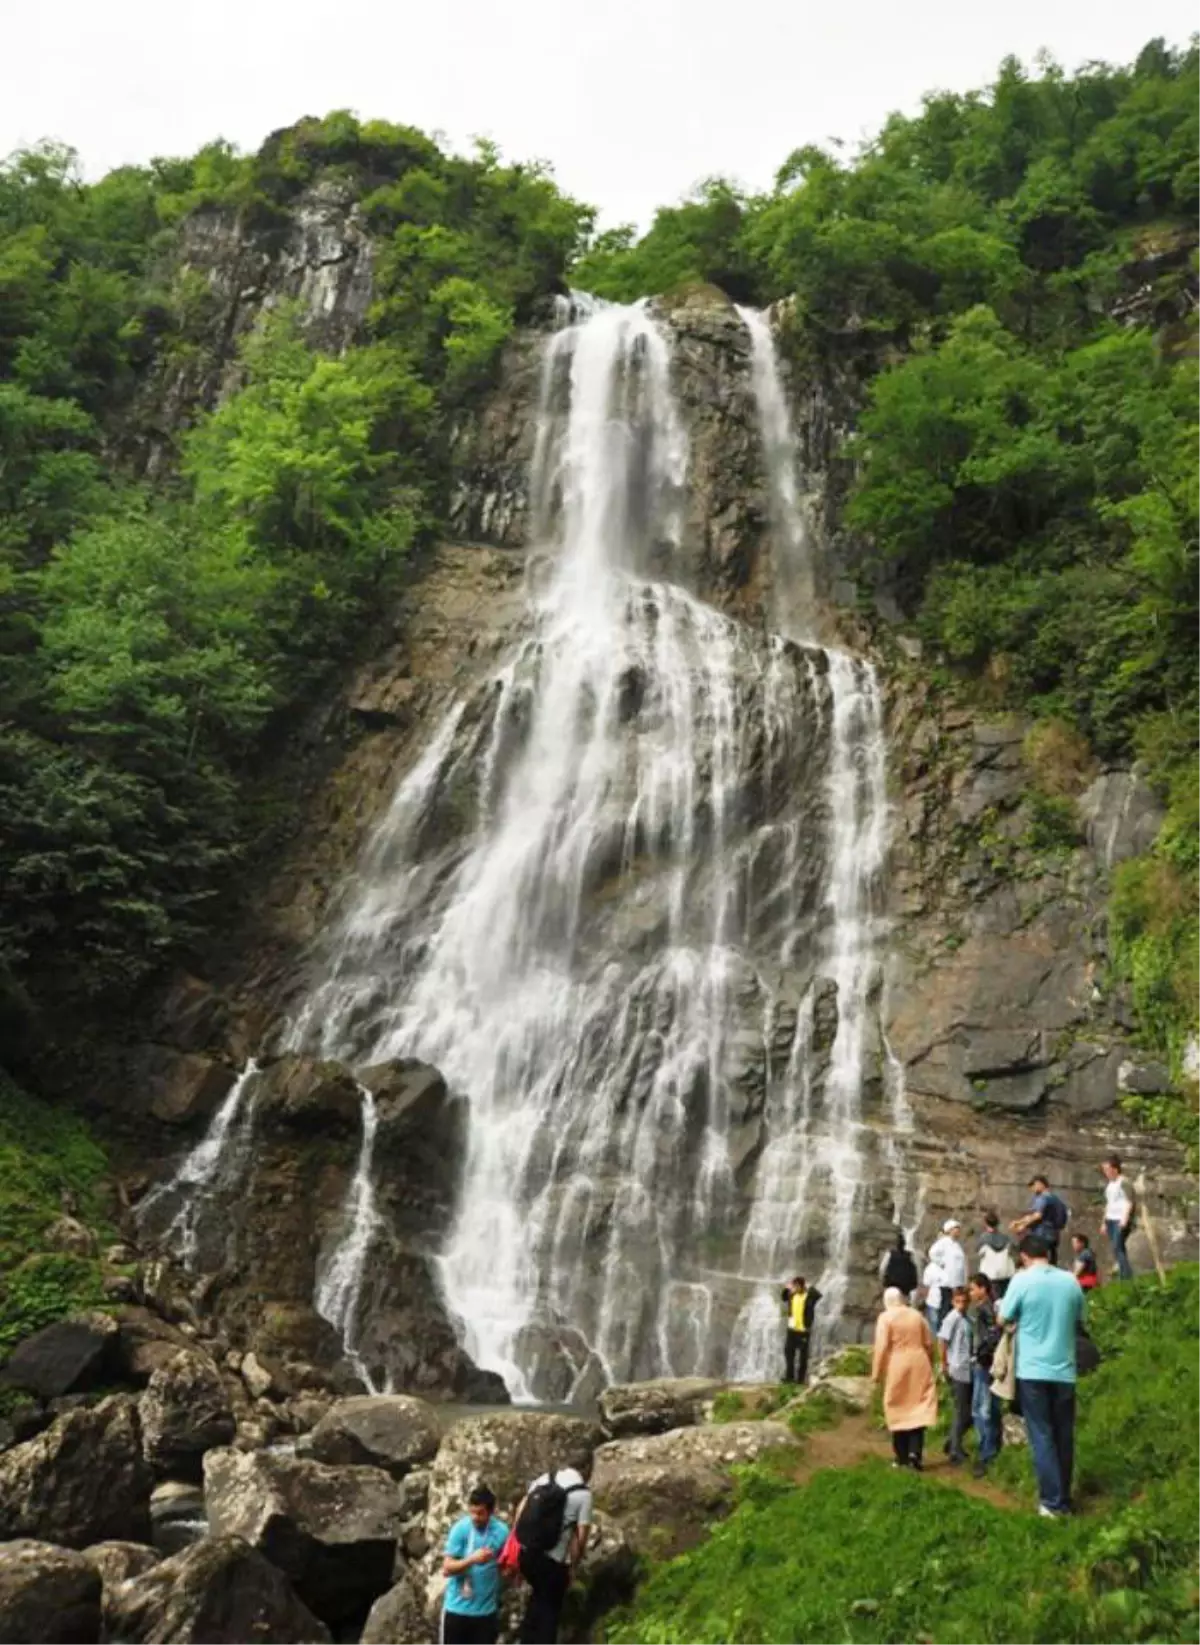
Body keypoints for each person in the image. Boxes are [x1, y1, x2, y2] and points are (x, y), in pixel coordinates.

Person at [998, 1233, 1084, 1518]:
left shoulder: (1021, 1280)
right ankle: (1065, 1499)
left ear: (1024, 1256)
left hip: (1033, 1370)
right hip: (1065, 1370)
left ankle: (1051, 1501)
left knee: (1042, 1434)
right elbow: (1080, 1318)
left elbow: (1003, 1317)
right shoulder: (1070, 1281)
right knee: (1063, 1434)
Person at [514, 1463, 593, 1645]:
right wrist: (574, 1565)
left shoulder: (543, 1480)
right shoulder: (583, 1494)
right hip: (553, 1563)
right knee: (550, 1610)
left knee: (537, 1600)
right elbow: (581, 1534)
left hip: (527, 1555)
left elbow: (521, 1511)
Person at [872, 1285, 939, 1471]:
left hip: (898, 1363)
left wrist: (876, 1373)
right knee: (919, 1408)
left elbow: (881, 1346)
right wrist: (930, 1364)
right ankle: (915, 1455)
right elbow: (929, 1343)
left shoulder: (886, 1318)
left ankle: (900, 1456)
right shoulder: (917, 1315)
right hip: (919, 1362)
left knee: (897, 1407)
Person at [442, 1485, 509, 1645]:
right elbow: (447, 1568)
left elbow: (505, 1563)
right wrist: (471, 1560)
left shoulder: (501, 1531)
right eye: (472, 1512)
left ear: (491, 1512)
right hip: (457, 1611)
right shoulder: (460, 1529)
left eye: (480, 1513)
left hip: (485, 1614)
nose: (475, 1517)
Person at [967, 1273, 1003, 1477]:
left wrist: (980, 1354)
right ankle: (986, 1449)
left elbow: (991, 1334)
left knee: (984, 1409)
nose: (970, 1293)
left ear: (983, 1289)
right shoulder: (988, 1307)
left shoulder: (985, 1309)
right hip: (985, 1362)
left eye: (972, 1289)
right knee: (981, 1407)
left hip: (985, 1364)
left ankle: (987, 1453)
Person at [938, 1286, 974, 1465]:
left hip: (968, 1367)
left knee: (968, 1413)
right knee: (961, 1411)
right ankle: (955, 1450)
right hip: (957, 1368)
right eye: (958, 1301)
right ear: (953, 1302)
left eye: (965, 1301)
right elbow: (943, 1341)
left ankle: (953, 1441)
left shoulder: (968, 1319)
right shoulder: (951, 1319)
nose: (962, 1305)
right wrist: (944, 1365)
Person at [1010, 1175, 1069, 1266]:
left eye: (1033, 1186)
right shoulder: (1056, 1199)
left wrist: (1020, 1224)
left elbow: (1037, 1216)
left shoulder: (1043, 1198)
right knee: (1051, 1262)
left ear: (1040, 1184)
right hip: (1054, 1235)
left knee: (1035, 1259)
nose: (1032, 1190)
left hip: (1042, 1235)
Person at [780, 1276, 821, 1384]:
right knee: (788, 1353)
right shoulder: (792, 1295)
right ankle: (789, 1377)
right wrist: (787, 1288)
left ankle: (800, 1380)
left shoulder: (809, 1297)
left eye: (797, 1286)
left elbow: (818, 1295)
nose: (795, 1288)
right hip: (792, 1330)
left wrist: (808, 1285)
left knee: (803, 1357)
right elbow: (783, 1297)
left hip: (803, 1331)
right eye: (794, 1285)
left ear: (802, 1286)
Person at [1101, 1154, 1136, 1280]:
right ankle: (1123, 1274)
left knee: (1118, 1246)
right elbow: (1108, 1203)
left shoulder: (1124, 1182)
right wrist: (1104, 1222)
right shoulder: (1110, 1185)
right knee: (1117, 1247)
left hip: (1120, 1219)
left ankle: (1127, 1276)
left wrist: (1124, 1219)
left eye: (1107, 1169)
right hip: (1111, 1218)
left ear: (1115, 1169)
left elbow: (1129, 1201)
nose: (1105, 1172)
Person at [929, 1219, 967, 1325]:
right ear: (950, 1230)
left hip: (958, 1282)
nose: (958, 1231)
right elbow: (932, 1253)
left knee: (956, 1308)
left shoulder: (957, 1244)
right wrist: (942, 1263)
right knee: (946, 1308)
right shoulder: (944, 1242)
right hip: (948, 1282)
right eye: (956, 1228)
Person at [977, 1211, 1016, 1298]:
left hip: (990, 1277)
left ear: (985, 1223)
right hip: (1005, 1275)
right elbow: (1012, 1251)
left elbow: (980, 1253)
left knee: (993, 1303)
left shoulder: (983, 1239)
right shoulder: (1006, 1238)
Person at [881, 1230, 919, 1299]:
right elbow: (916, 1269)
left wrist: (882, 1280)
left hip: (892, 1283)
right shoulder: (910, 1255)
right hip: (906, 1285)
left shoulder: (889, 1254)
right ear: (905, 1244)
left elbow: (882, 1269)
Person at [921, 1256, 944, 1334]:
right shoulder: (945, 1266)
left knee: (933, 1325)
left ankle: (935, 1344)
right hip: (944, 1300)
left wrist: (924, 1299)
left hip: (932, 1300)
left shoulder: (929, 1269)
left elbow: (926, 1286)